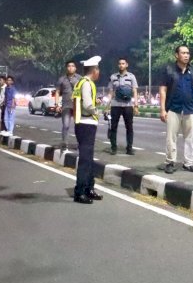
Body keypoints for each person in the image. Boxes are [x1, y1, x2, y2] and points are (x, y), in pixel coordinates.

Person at [159, 45, 193, 174]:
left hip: (190, 109)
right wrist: (162, 109)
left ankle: (188, 163)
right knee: (171, 137)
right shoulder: (169, 70)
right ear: (176, 55)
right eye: (183, 53)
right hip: (173, 108)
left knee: (190, 138)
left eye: (188, 53)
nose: (186, 55)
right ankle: (170, 162)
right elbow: (163, 90)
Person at [72, 56, 104, 204]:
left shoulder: (81, 82)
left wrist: (93, 101)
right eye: (98, 69)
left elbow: (82, 101)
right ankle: (80, 192)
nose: (99, 72)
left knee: (89, 158)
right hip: (86, 124)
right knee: (85, 159)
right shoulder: (87, 83)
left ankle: (89, 189)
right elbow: (87, 106)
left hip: (83, 123)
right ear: (94, 70)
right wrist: (96, 110)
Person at [106, 57, 139, 155]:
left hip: (128, 105)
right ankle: (113, 147)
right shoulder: (113, 77)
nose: (121, 65)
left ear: (126, 65)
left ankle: (129, 148)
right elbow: (111, 92)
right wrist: (107, 106)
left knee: (129, 127)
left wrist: (136, 105)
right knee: (113, 127)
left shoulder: (131, 77)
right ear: (118, 65)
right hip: (115, 105)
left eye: (123, 63)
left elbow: (135, 91)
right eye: (120, 63)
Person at [55, 60, 80, 151]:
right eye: (69, 66)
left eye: (73, 66)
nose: (71, 67)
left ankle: (79, 143)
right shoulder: (62, 79)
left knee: (78, 126)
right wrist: (57, 104)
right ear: (66, 68)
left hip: (77, 106)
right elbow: (57, 92)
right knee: (66, 125)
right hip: (66, 106)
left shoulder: (80, 78)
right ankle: (64, 143)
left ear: (75, 68)